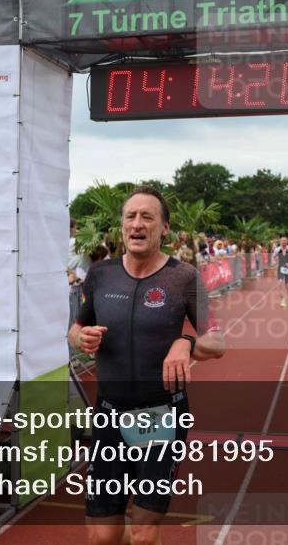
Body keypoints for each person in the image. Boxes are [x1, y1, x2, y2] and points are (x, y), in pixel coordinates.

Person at [67, 186, 224, 545]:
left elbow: (218, 341)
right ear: (122, 226)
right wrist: (81, 338)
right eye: (130, 216)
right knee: (102, 536)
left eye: (147, 217)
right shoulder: (101, 275)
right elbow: (75, 329)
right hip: (109, 415)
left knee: (142, 533)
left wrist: (186, 344)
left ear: (164, 228)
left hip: (161, 416)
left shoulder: (183, 278)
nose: (137, 224)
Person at [272, 236, 288, 308]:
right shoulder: (277, 249)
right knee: (279, 283)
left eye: (285, 241)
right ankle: (283, 300)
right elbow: (274, 257)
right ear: (280, 242)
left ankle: (287, 295)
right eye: (282, 241)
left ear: (287, 242)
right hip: (280, 268)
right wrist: (277, 261)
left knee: (287, 287)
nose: (283, 242)